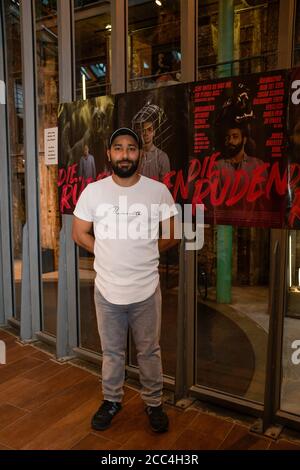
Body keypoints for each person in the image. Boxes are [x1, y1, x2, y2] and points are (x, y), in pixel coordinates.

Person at [72, 127, 178, 433]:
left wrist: (145, 251)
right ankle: (112, 400)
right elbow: (80, 233)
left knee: (149, 351)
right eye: (118, 148)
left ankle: (154, 403)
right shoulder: (94, 192)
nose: (125, 154)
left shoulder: (157, 191)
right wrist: (103, 250)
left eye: (131, 148)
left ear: (140, 154)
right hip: (107, 291)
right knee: (112, 353)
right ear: (109, 154)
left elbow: (171, 234)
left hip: (146, 289)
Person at [212, 124, 268, 223]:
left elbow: (263, 203)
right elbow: (215, 204)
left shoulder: (257, 165)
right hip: (225, 225)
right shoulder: (218, 166)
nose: (230, 141)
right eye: (228, 137)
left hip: (252, 226)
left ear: (244, 140)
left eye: (235, 137)